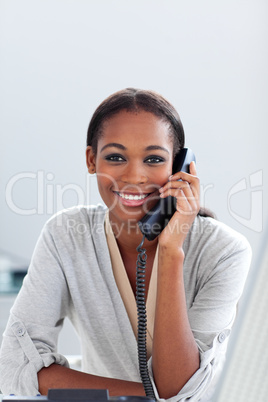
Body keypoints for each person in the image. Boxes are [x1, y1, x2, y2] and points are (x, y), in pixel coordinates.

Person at [0, 88, 251, 401]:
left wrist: (172, 252)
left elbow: (181, 386)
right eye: (116, 157)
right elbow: (14, 367)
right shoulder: (66, 235)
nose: (134, 176)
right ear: (92, 160)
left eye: (154, 159)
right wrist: (151, 398)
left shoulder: (224, 251)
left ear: (178, 167)